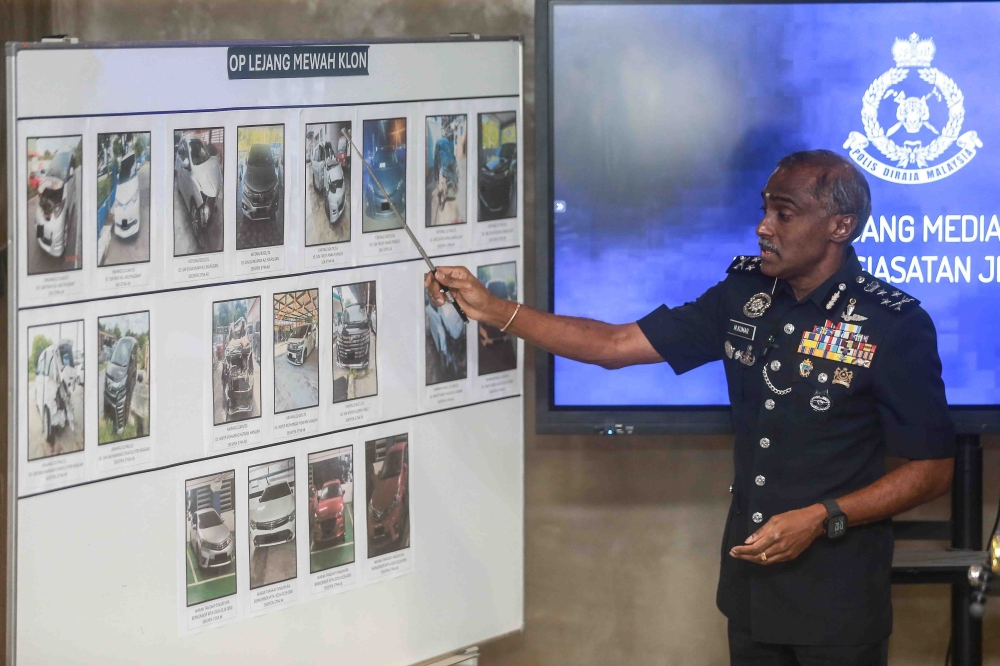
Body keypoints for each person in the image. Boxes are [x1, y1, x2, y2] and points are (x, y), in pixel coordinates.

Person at [425, 150, 955, 665]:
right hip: (750, 593)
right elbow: (613, 346)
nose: (763, 227)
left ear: (840, 227)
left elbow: (932, 470)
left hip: (838, 602)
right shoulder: (745, 294)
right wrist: (494, 309)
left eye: (783, 213)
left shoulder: (892, 323)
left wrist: (823, 517)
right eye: (765, 208)